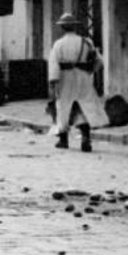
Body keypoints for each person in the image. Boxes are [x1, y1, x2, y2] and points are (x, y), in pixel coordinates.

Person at [48, 13, 109, 152]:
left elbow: (54, 64)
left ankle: (63, 140)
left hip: (65, 77)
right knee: (85, 105)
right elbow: (99, 61)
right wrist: (89, 71)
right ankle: (86, 138)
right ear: (75, 26)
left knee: (63, 106)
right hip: (83, 77)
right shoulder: (87, 42)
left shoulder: (59, 44)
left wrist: (53, 82)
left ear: (63, 27)